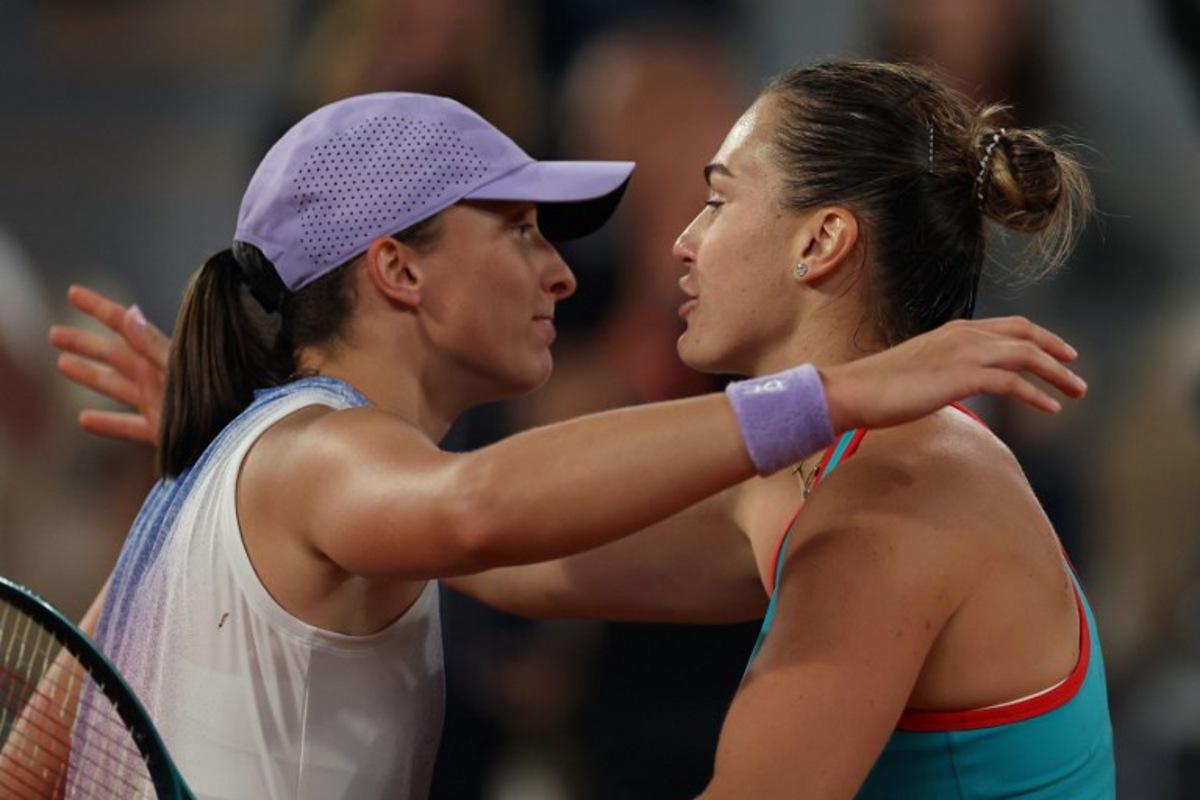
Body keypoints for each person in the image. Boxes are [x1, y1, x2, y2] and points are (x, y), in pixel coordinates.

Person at [50, 71, 1093, 798]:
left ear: (823, 241)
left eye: (717, 200)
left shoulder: (896, 484)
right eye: (521, 229)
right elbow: (483, 523)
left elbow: (500, 541)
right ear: (395, 269)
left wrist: (245, 467)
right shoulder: (311, 457)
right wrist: (836, 390)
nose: (676, 241)